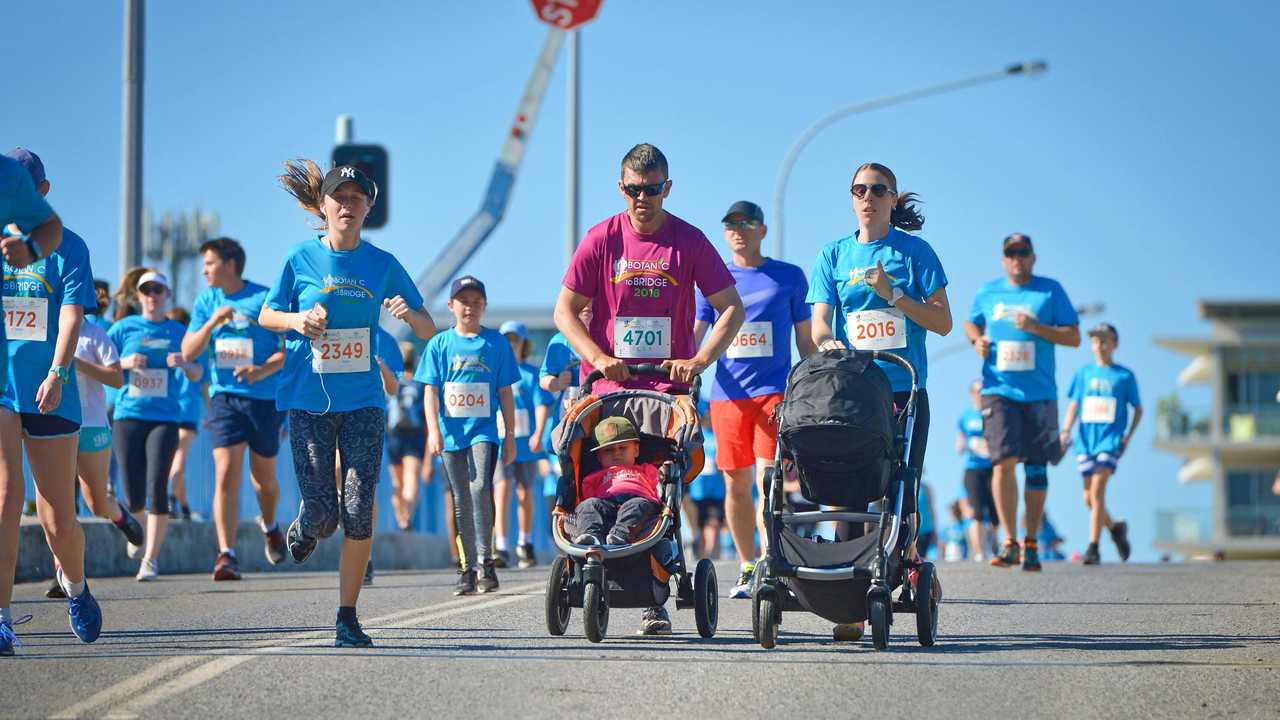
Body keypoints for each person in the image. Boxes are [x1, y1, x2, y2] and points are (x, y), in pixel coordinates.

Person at [552, 143, 744, 635]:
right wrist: (598, 360)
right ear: (622, 189)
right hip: (607, 384)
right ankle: (588, 550)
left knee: (665, 480)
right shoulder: (601, 239)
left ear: (667, 188)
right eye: (635, 190)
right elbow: (564, 312)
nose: (644, 198)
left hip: (667, 388)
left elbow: (731, 309)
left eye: (653, 189)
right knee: (582, 465)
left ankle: (655, 591)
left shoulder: (689, 241)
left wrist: (699, 360)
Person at [261, 160, 434, 647]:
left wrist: (408, 313)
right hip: (309, 398)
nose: (347, 205)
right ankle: (307, 522)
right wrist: (297, 322)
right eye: (340, 196)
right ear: (323, 205)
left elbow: (427, 328)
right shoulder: (299, 258)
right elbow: (266, 313)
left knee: (358, 507)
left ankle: (347, 616)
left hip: (364, 402)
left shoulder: (382, 263)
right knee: (323, 510)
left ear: (368, 208)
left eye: (358, 198)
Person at [807, 161, 951, 640]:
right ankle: (848, 598)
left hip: (904, 387)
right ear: (852, 198)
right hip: (854, 388)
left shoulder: (915, 253)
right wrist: (827, 342)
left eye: (878, 190)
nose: (867, 196)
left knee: (898, 484)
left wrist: (895, 295)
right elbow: (821, 321)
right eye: (859, 189)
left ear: (893, 199)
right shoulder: (833, 254)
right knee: (850, 484)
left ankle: (902, 559)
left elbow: (943, 322)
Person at [694, 199, 814, 599]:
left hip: (772, 395)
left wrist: (817, 376)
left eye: (747, 224)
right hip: (727, 397)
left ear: (762, 230)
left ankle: (770, 563)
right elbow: (697, 334)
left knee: (769, 482)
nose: (739, 231)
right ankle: (747, 566)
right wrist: (681, 366)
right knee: (735, 486)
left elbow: (804, 337)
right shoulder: (713, 280)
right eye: (731, 224)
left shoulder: (788, 277)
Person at [0, 148, 93, 655]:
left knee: (57, 515)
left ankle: (76, 587)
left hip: (51, 388)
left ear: (42, 194)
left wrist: (58, 372)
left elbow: (71, 317)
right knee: (5, 495)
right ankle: (2, 617)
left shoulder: (68, 247)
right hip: (2, 386)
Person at [964, 233, 1080, 571]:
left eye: (1023, 252)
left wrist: (1037, 327)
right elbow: (971, 322)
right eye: (1011, 253)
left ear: (1033, 257)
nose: (1017, 258)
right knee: (1002, 461)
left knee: (1035, 467)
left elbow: (1073, 336)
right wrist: (977, 340)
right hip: (999, 389)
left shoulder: (1050, 290)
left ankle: (1031, 540)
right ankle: (1010, 540)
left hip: (1040, 393)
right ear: (1003, 259)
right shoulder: (988, 292)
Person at [182, 236, 287, 581]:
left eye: (210, 263)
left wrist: (260, 370)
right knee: (225, 473)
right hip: (224, 397)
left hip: (265, 399)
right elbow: (188, 352)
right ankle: (226, 554)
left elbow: (290, 350)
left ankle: (269, 524)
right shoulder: (206, 300)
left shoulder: (264, 298)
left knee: (264, 481)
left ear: (229, 264)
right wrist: (212, 322)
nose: (204, 271)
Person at [418, 276, 518, 595]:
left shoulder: (496, 343)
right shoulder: (439, 344)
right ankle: (466, 567)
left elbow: (505, 392)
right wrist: (433, 431)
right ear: (451, 306)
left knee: (479, 489)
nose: (470, 308)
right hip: (450, 433)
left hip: (484, 431)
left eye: (477, 302)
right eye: (464, 302)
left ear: (485, 307)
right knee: (460, 496)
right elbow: (430, 391)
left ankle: (487, 561)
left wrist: (511, 434)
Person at [43, 293, 145, 598]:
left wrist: (76, 364)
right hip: (54, 424)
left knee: (96, 502)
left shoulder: (94, 334)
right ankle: (62, 572)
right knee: (61, 504)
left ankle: (119, 515)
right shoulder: (44, 332)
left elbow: (116, 379)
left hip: (91, 427)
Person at [110, 270, 204, 581]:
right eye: (146, 290)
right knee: (132, 491)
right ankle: (136, 531)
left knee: (157, 486)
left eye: (158, 290)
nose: (152, 295)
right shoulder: (124, 329)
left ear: (167, 295)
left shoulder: (179, 331)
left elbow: (197, 373)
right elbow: (101, 361)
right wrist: (124, 364)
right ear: (138, 297)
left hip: (164, 419)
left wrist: (185, 364)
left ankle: (150, 559)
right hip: (128, 415)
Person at [1060, 322, 1140, 565]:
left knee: (1097, 492)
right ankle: (1115, 528)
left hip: (1110, 439)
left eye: (1104, 341)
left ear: (1114, 344)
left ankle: (1093, 547)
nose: (1100, 346)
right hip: (1086, 441)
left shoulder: (1124, 376)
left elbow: (1138, 408)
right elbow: (1074, 403)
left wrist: (1127, 436)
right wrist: (1066, 429)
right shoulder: (1084, 373)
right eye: (1096, 341)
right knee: (1089, 498)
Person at [493, 320, 554, 569]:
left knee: (524, 492)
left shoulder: (530, 374)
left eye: (514, 340)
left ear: (523, 344)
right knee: (502, 488)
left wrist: (539, 432)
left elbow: (542, 404)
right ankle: (502, 545)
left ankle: (525, 542)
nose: (510, 344)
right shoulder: (495, 373)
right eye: (506, 340)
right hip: (500, 440)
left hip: (526, 444)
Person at [571, 417, 662, 546]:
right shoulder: (594, 476)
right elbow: (586, 496)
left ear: (636, 450)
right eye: (609, 450)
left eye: (623, 448)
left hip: (638, 502)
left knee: (639, 504)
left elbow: (658, 486)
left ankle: (619, 535)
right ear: (599, 456)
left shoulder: (646, 469)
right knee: (588, 505)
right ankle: (591, 536)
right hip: (606, 505)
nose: (616, 453)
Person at [166, 306, 206, 521]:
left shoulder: (169, 349)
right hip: (185, 410)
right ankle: (178, 502)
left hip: (174, 410)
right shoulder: (197, 350)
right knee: (178, 460)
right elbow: (204, 384)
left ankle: (178, 502)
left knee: (175, 459)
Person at [386, 340, 427, 532]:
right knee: (412, 478)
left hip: (393, 435)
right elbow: (426, 416)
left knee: (397, 483)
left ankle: (400, 516)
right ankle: (407, 518)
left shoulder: (391, 380)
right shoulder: (420, 384)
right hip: (415, 435)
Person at [957, 379, 996, 561]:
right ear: (972, 395)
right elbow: (960, 440)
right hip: (973, 469)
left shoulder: (993, 415)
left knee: (995, 514)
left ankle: (993, 541)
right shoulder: (966, 416)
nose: (981, 395)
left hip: (993, 469)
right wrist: (962, 445)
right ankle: (979, 551)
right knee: (977, 512)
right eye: (977, 392)